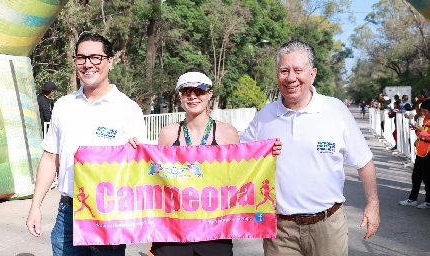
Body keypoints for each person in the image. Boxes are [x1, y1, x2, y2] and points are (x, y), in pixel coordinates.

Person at [240, 40, 380, 256]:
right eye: (284, 71)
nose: (291, 78)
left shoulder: (335, 110)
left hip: (328, 226)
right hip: (280, 230)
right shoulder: (264, 117)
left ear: (312, 74)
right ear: (277, 75)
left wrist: (373, 204)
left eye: (298, 70)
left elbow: (364, 162)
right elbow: (237, 160)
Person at [128, 68, 281, 256]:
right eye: (186, 91)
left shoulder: (227, 133)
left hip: (215, 231)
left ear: (210, 94)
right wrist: (134, 153)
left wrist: (267, 154)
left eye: (199, 91)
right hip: (174, 231)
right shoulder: (168, 133)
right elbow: (158, 180)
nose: (193, 96)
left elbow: (239, 177)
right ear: (180, 96)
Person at [26, 32, 147, 256]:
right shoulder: (63, 105)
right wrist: (35, 206)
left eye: (95, 57)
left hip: (108, 214)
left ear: (110, 62)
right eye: (81, 58)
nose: (87, 64)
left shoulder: (128, 109)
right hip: (67, 214)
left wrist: (137, 154)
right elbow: (51, 158)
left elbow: (139, 170)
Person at [399, 98, 430, 209]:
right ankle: (412, 199)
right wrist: (417, 130)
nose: (423, 114)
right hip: (420, 152)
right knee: (416, 176)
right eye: (422, 111)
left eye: (425, 111)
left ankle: (428, 201)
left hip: (428, 154)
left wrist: (421, 131)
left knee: (427, 178)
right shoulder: (426, 120)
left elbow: (428, 136)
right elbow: (422, 135)